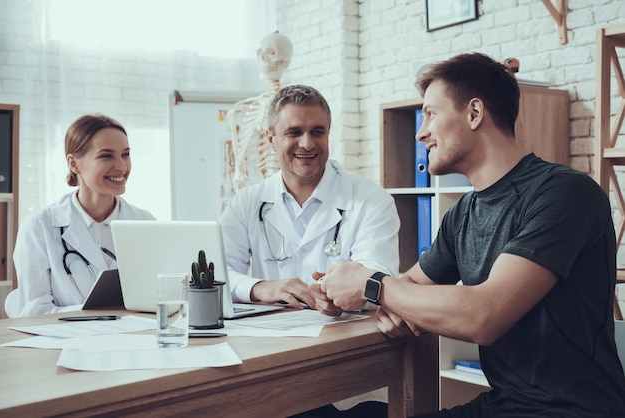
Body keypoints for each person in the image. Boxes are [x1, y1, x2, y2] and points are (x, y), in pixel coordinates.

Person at [311, 52, 625, 418]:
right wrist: (366, 296)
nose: (420, 131)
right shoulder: (463, 212)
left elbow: (484, 316)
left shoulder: (564, 194)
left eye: (431, 113)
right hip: (505, 404)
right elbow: (412, 283)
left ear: (474, 113)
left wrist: (374, 286)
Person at [219, 84, 400, 417]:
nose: (307, 143)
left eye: (318, 131)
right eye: (294, 132)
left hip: (352, 376)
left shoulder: (371, 201)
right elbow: (212, 276)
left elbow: (378, 274)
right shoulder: (247, 203)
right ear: (271, 139)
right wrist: (261, 288)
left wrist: (346, 294)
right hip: (274, 367)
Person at [6, 114, 155, 317]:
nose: (121, 166)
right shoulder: (39, 227)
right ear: (74, 164)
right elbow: (33, 313)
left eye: (125, 154)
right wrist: (102, 313)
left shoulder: (145, 223)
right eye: (106, 156)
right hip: (65, 345)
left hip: (133, 341)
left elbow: (157, 297)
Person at [223, 31, 293, 202]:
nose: (264, 59)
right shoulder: (250, 107)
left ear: (284, 60)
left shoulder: (292, 107)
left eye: (272, 53)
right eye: (259, 54)